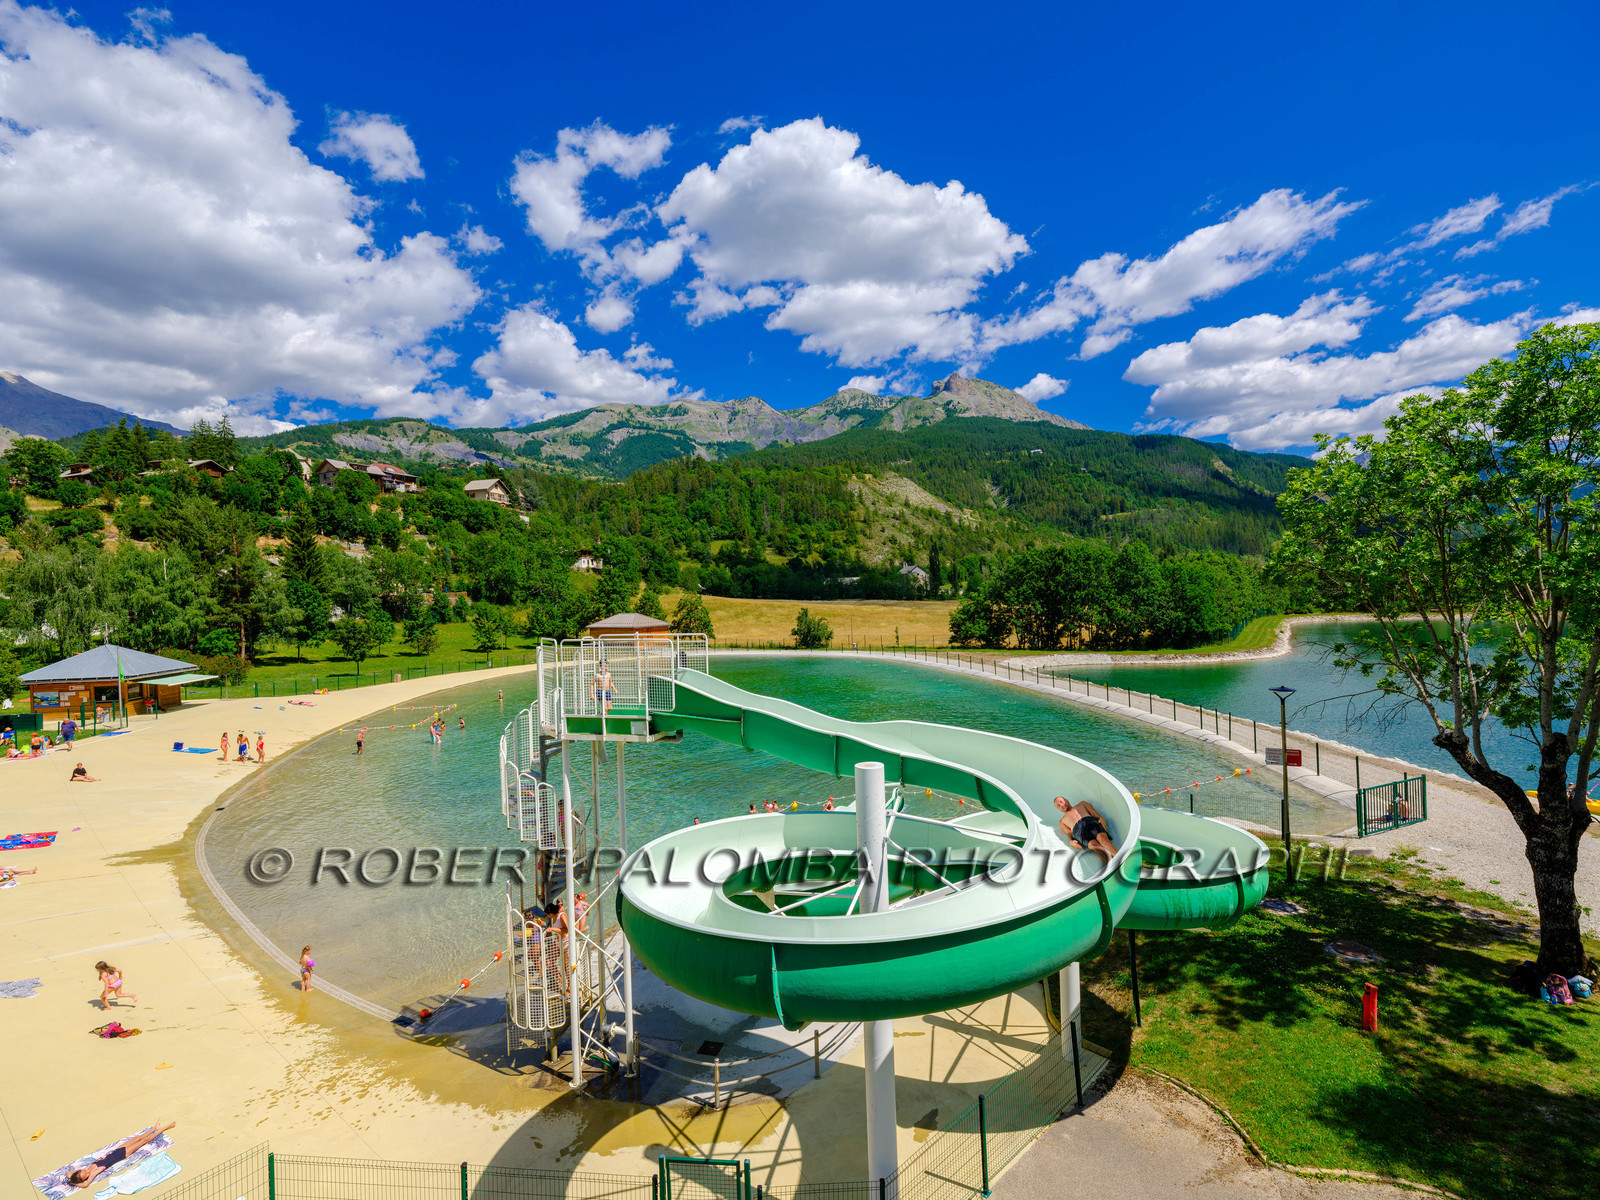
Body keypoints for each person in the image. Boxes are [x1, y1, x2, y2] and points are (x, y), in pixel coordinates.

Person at [64, 1121, 177, 1190]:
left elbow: (68, 1174)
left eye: (84, 1172)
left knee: (137, 1138)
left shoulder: (84, 1170)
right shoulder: (93, 1172)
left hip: (116, 1150)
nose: (87, 1172)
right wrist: (76, 1182)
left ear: (79, 1172)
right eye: (86, 1175)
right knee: (144, 1141)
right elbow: (86, 1184)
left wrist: (71, 1180)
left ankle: (154, 1128)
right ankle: (165, 1127)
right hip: (122, 1154)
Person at [1053, 797, 1118, 864]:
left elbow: (1093, 813)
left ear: (1066, 800)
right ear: (1058, 809)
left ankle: (1120, 857)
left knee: (1103, 841)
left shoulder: (1082, 804)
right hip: (1078, 831)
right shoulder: (1062, 821)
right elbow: (1069, 833)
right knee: (1095, 847)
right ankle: (1111, 865)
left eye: (1061, 801)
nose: (1062, 805)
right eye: (1059, 806)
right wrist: (1071, 841)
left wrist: (1101, 818)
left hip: (1090, 822)